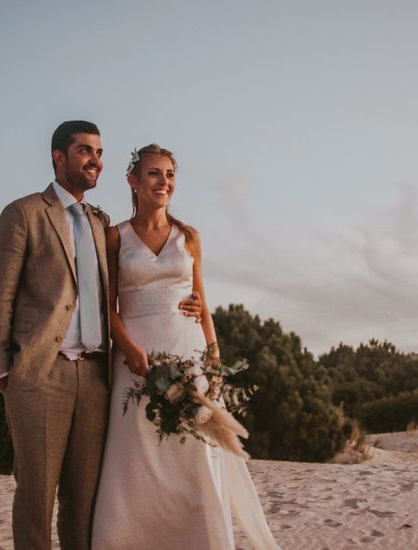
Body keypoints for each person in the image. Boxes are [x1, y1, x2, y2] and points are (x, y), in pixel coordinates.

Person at [0, 123, 202, 550]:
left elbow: (131, 289)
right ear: (57, 157)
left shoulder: (102, 224)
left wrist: (187, 303)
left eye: (99, 152)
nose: (95, 160)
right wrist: (3, 371)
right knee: (36, 495)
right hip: (42, 375)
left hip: (99, 377)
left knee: (85, 501)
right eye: (84, 150)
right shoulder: (24, 214)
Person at [91, 144, 280, 550]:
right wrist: (128, 348)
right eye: (155, 174)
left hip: (187, 351)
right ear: (133, 181)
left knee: (192, 454)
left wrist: (213, 359)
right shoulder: (114, 237)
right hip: (135, 358)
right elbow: (106, 307)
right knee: (136, 455)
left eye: (171, 174)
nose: (164, 182)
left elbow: (202, 302)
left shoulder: (189, 237)